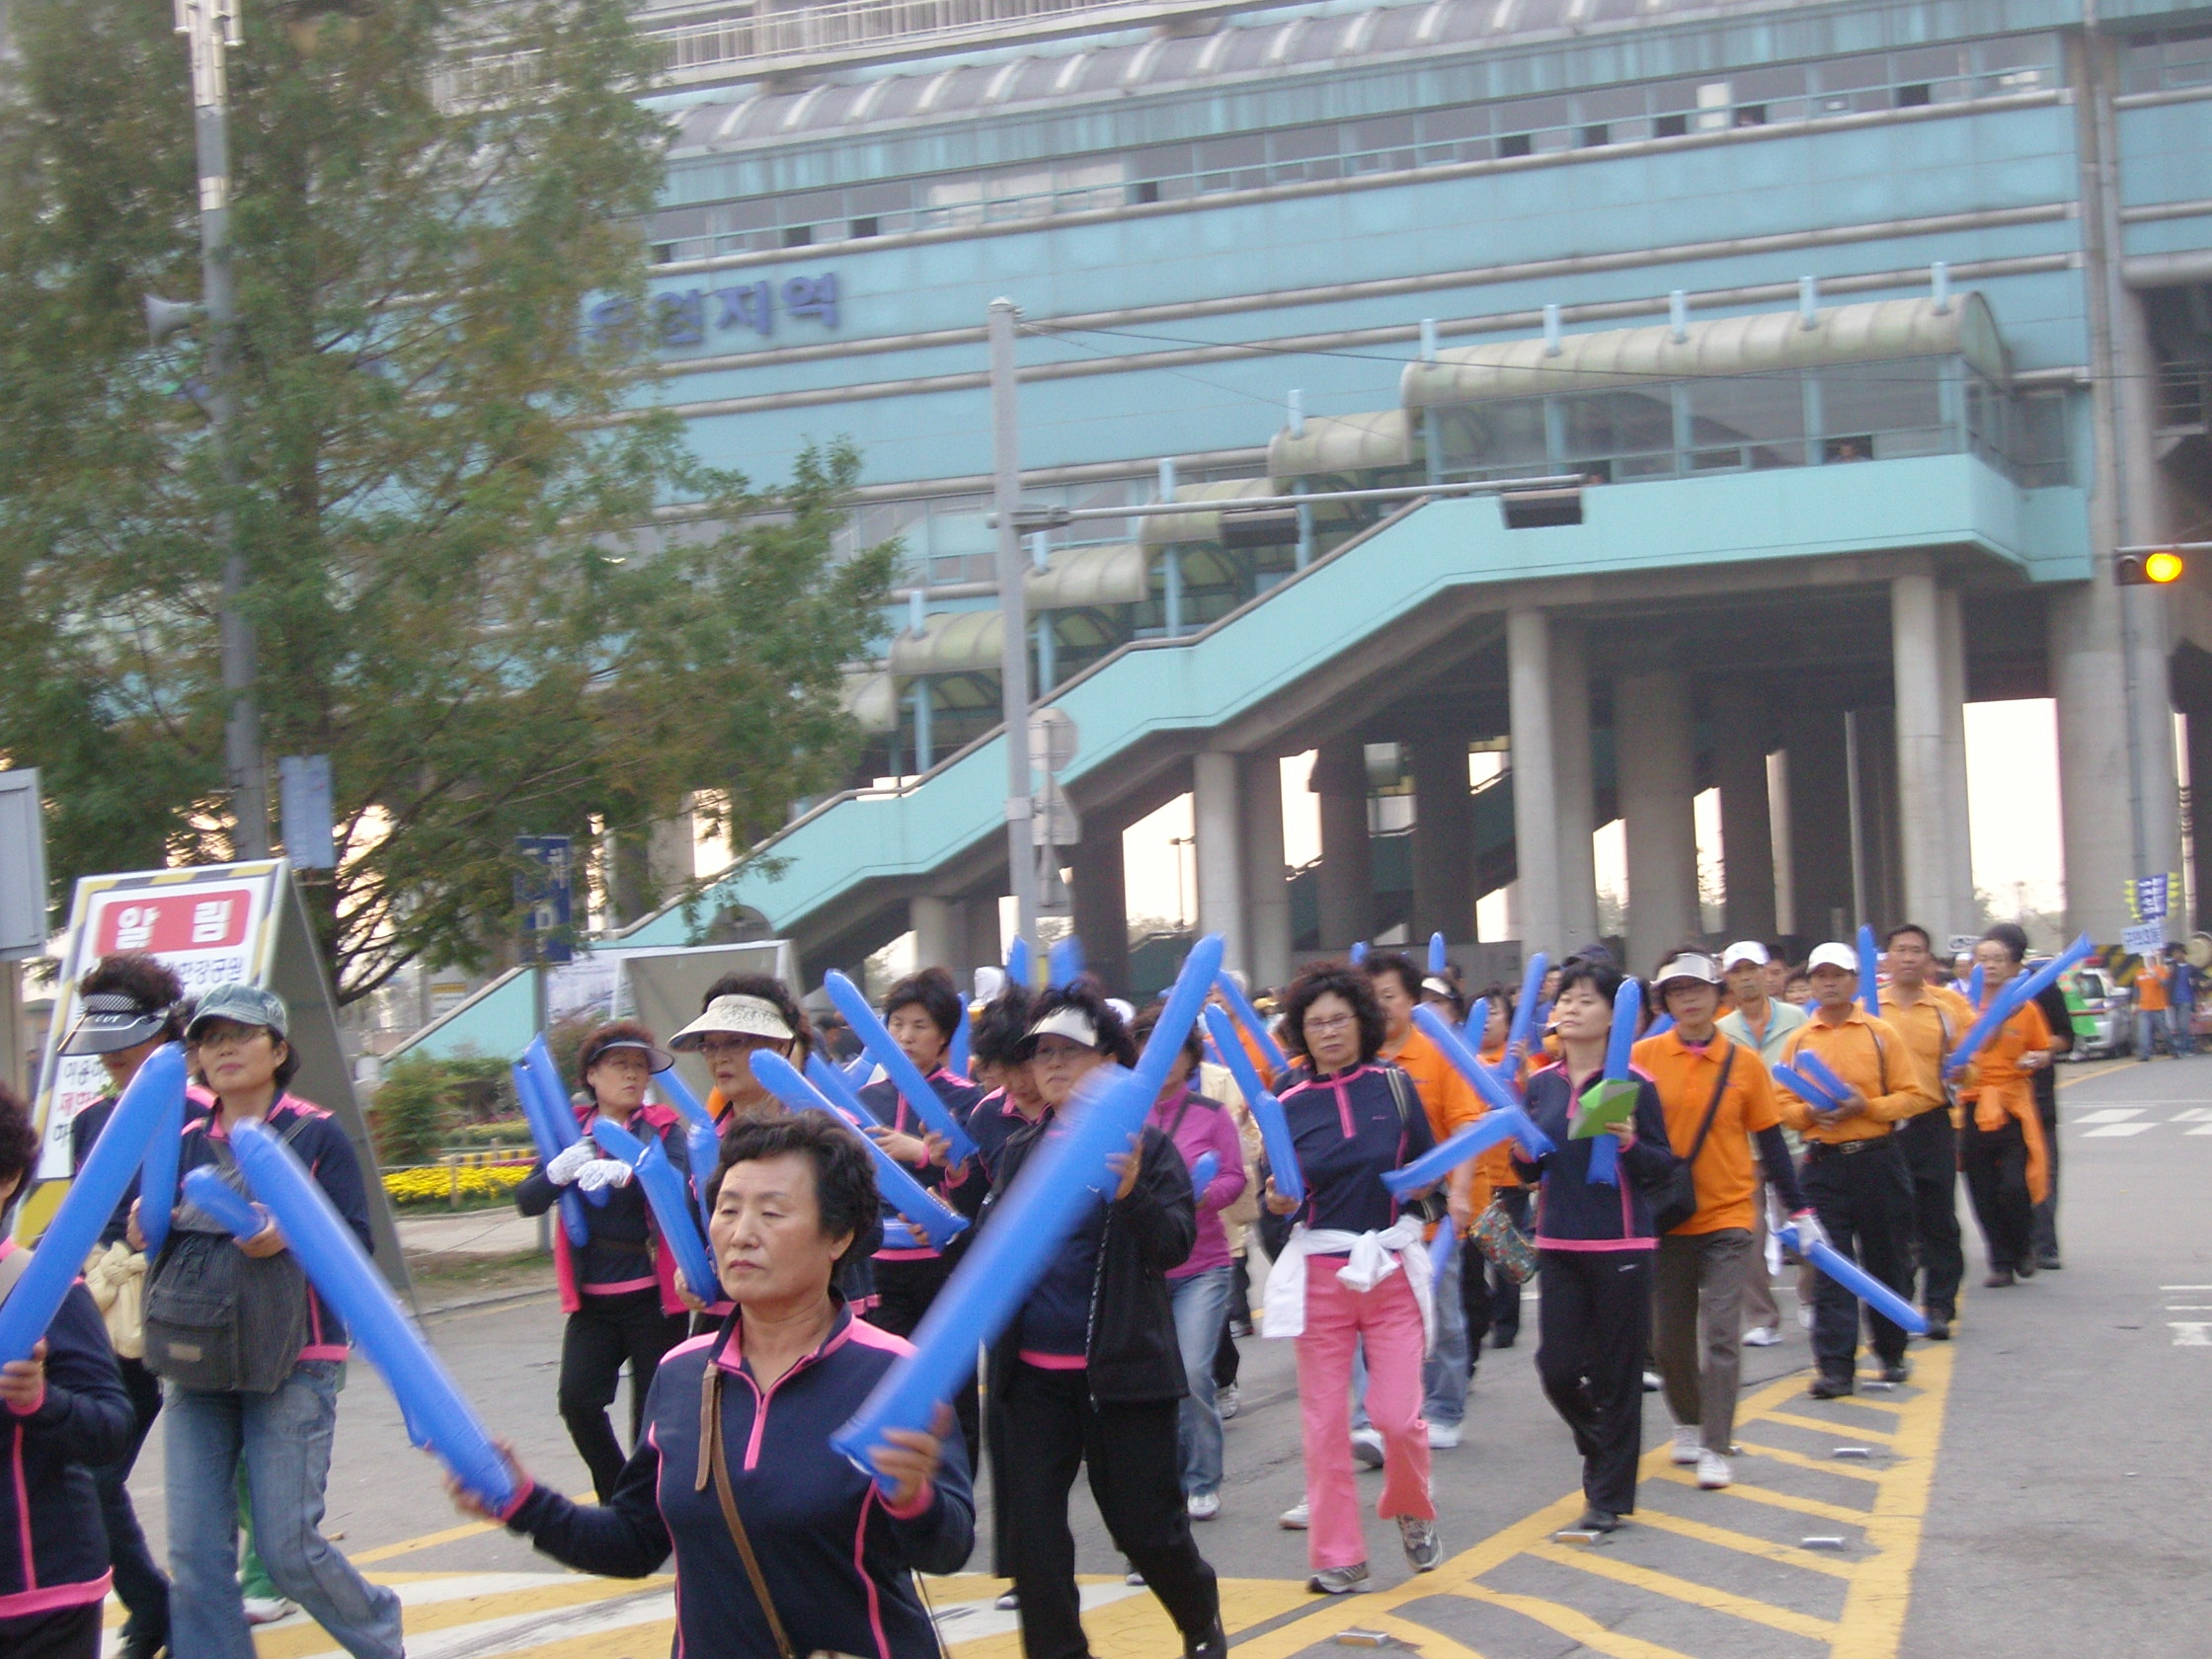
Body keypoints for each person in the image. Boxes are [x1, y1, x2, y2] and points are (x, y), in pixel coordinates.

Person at [465, 1112, 974, 1657]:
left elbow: (948, 1549)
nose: (741, 1233)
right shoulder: (682, 1373)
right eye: (728, 1210)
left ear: (838, 1236)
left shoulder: (893, 1373)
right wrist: (523, 1502)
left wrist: (914, 1500)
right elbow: (636, 1542)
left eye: (772, 1213)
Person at [138, 983, 405, 1659]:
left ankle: (380, 1634)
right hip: (200, 1357)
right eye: (209, 1039)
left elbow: (355, 1242)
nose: (222, 1049)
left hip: (296, 1358)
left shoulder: (315, 1133)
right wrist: (145, 1228)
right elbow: (157, 1237)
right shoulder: (182, 1141)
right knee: (194, 1550)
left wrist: (286, 1234)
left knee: (286, 1548)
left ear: (279, 1050)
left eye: (240, 1035)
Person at [990, 987, 1224, 1659]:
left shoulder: (1146, 1148)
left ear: (1110, 1063)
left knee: (1145, 1530)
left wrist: (1130, 1194)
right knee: (1034, 1540)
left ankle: (1198, 1616)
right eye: (1042, 1053)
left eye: (1070, 1050)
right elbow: (994, 1254)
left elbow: (1174, 1243)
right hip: (1031, 1381)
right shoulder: (1019, 1150)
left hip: (1122, 1374)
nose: (1052, 1064)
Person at [1261, 964, 1443, 1593]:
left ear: (1363, 1023)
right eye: (1316, 1023)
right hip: (1320, 1273)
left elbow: (1430, 1180)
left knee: (1397, 1417)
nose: (1329, 1032)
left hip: (1389, 1269)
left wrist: (1423, 1191)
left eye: (1340, 1019)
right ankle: (1338, 1555)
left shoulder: (1395, 1087)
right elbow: (1271, 1203)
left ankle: (1413, 1506)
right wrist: (1276, 1204)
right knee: (1324, 1425)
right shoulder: (1285, 1105)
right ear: (1300, 1033)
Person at [1510, 956, 1680, 1534]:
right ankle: (1603, 1447)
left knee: (1616, 1375)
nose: (1571, 1009)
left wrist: (1629, 1143)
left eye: (1586, 1000)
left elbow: (1664, 1167)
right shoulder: (1541, 1084)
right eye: (1565, 999)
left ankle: (1607, 1496)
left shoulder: (1631, 1083)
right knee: (1556, 1369)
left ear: (1614, 1016)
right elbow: (1531, 1170)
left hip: (1620, 1243)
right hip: (1559, 1241)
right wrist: (1521, 1154)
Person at [1635, 951, 1814, 1493]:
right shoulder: (1640, 1058)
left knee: (1720, 1332)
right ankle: (1688, 1420)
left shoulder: (1745, 1063)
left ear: (1719, 995)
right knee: (1669, 1340)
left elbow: (1771, 1141)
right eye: (1676, 991)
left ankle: (1717, 1444)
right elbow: (1607, 1131)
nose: (1688, 998)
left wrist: (1799, 1209)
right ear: (1664, 1002)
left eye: (1697, 988)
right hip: (1667, 1217)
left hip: (1730, 1212)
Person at [58, 953, 190, 1659]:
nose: (112, 1059)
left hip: (189, 1315)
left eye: (126, 1042)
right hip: (106, 1317)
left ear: (164, 1031)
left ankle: (175, 1609)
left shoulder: (199, 1113)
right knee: (90, 1474)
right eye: (103, 1045)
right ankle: (154, 1607)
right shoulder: (91, 1122)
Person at [514, 1021, 691, 1502]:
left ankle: (648, 1511)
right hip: (593, 1302)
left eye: (639, 1066)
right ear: (592, 1075)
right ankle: (619, 1498)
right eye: (619, 1064)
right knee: (577, 1403)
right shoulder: (568, 1130)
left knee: (651, 1422)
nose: (632, 1074)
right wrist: (555, 1173)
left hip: (653, 1299)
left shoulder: (662, 1128)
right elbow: (527, 1201)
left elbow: (683, 1187)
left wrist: (633, 1170)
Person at [0, 1080, 134, 1659]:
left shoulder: (46, 1288)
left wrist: (39, 1400)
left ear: (8, 1179)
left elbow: (111, 1427)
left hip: (39, 1596)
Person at [1772, 945, 1939, 1398]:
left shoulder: (1880, 1034)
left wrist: (1867, 1107)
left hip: (1876, 1158)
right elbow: (1782, 1104)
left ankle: (1891, 1353)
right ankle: (1835, 1367)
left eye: (1838, 975)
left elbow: (1914, 1095)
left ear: (1854, 979)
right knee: (1830, 1266)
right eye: (1820, 975)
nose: (1829, 983)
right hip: (1823, 1163)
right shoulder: (1800, 1040)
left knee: (1887, 1258)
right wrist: (1809, 1113)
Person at [1133, 1004, 1248, 1522]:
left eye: (1173, 1048)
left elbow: (1234, 1177)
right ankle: (1166, 1479)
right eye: (1148, 1047)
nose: (1161, 1058)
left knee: (1195, 1370)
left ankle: (1203, 1479)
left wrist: (1198, 1196)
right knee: (1155, 1380)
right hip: (1144, 1267)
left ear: (1190, 1056)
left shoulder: (1210, 1113)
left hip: (1203, 1263)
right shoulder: (1127, 1115)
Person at [1366, 953, 1481, 1450]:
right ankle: (1385, 1412)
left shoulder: (1438, 1054)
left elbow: (1467, 1128)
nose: (1379, 1006)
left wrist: (1460, 1193)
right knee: (1377, 1321)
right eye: (1370, 997)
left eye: (1389, 996)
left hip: (1430, 1213)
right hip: (1371, 1216)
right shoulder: (1358, 1058)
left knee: (1442, 1314)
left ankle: (1445, 1408)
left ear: (1412, 1000)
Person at [1877, 924, 1975, 1339]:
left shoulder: (1947, 1007)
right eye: (1901, 950)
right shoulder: (1867, 1005)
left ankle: (1939, 1304)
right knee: (1893, 1221)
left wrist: (1963, 1070)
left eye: (1916, 950)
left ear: (1929, 960)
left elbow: (1970, 1065)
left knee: (1938, 1218)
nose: (1908, 957)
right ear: (1887, 958)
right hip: (1884, 1125)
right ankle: (1897, 1303)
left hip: (1932, 1122)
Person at [1715, 942, 1808, 1347]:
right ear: (1728, 979)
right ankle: (1762, 1318)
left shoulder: (1796, 1018)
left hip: (1792, 1136)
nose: (1746, 978)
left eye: (1752, 969)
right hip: (1742, 1144)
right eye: (1737, 971)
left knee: (1804, 1221)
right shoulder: (1721, 1030)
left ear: (1768, 972)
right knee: (1748, 1234)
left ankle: (1810, 1297)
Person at [1961, 930, 2056, 1289]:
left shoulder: (2024, 1007)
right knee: (1982, 1190)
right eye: (1983, 959)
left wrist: (2037, 1058)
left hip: (2013, 1107)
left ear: (2011, 966)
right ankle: (2000, 1262)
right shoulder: (1961, 1008)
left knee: (2015, 1186)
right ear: (1972, 967)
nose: (1990, 966)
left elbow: (2044, 1049)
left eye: (1998, 959)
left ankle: (2023, 1245)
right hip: (1973, 1106)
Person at [682, 977, 815, 1125]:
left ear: (780, 1046)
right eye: (710, 1046)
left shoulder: (819, 1129)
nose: (719, 1058)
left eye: (735, 1042)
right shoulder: (706, 1135)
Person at [2133, 948, 2172, 1061]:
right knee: (2143, 1032)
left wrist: (2156, 976)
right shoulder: (2139, 972)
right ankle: (2144, 1054)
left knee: (2164, 1031)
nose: (2147, 960)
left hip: (2158, 1007)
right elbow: (2137, 989)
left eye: (2149, 958)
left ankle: (2173, 1049)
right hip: (2144, 1007)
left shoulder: (2160, 970)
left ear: (2153, 959)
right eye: (2145, 958)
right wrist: (2134, 1004)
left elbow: (2165, 984)